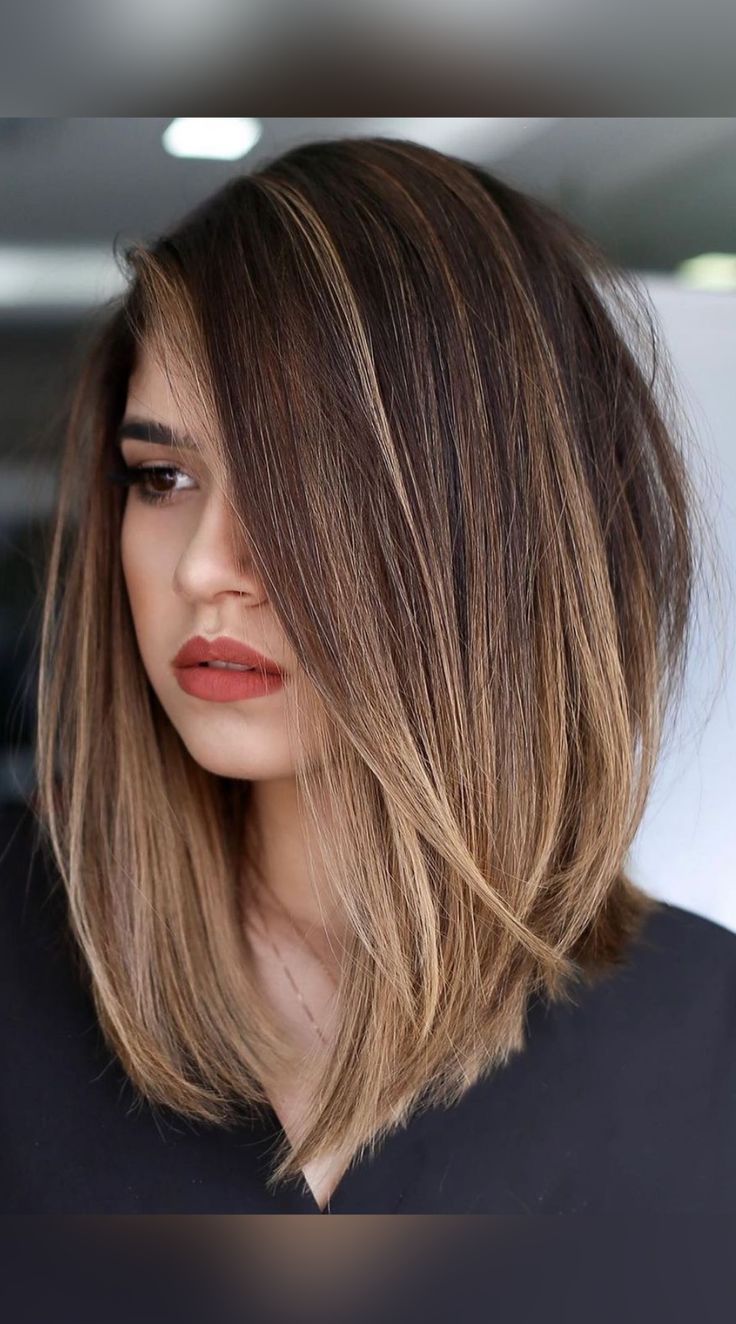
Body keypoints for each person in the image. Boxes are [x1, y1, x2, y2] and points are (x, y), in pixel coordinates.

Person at [2, 135, 735, 1214]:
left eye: (303, 480)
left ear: (500, 526)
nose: (206, 565)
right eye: (162, 476)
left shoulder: (704, 1040)